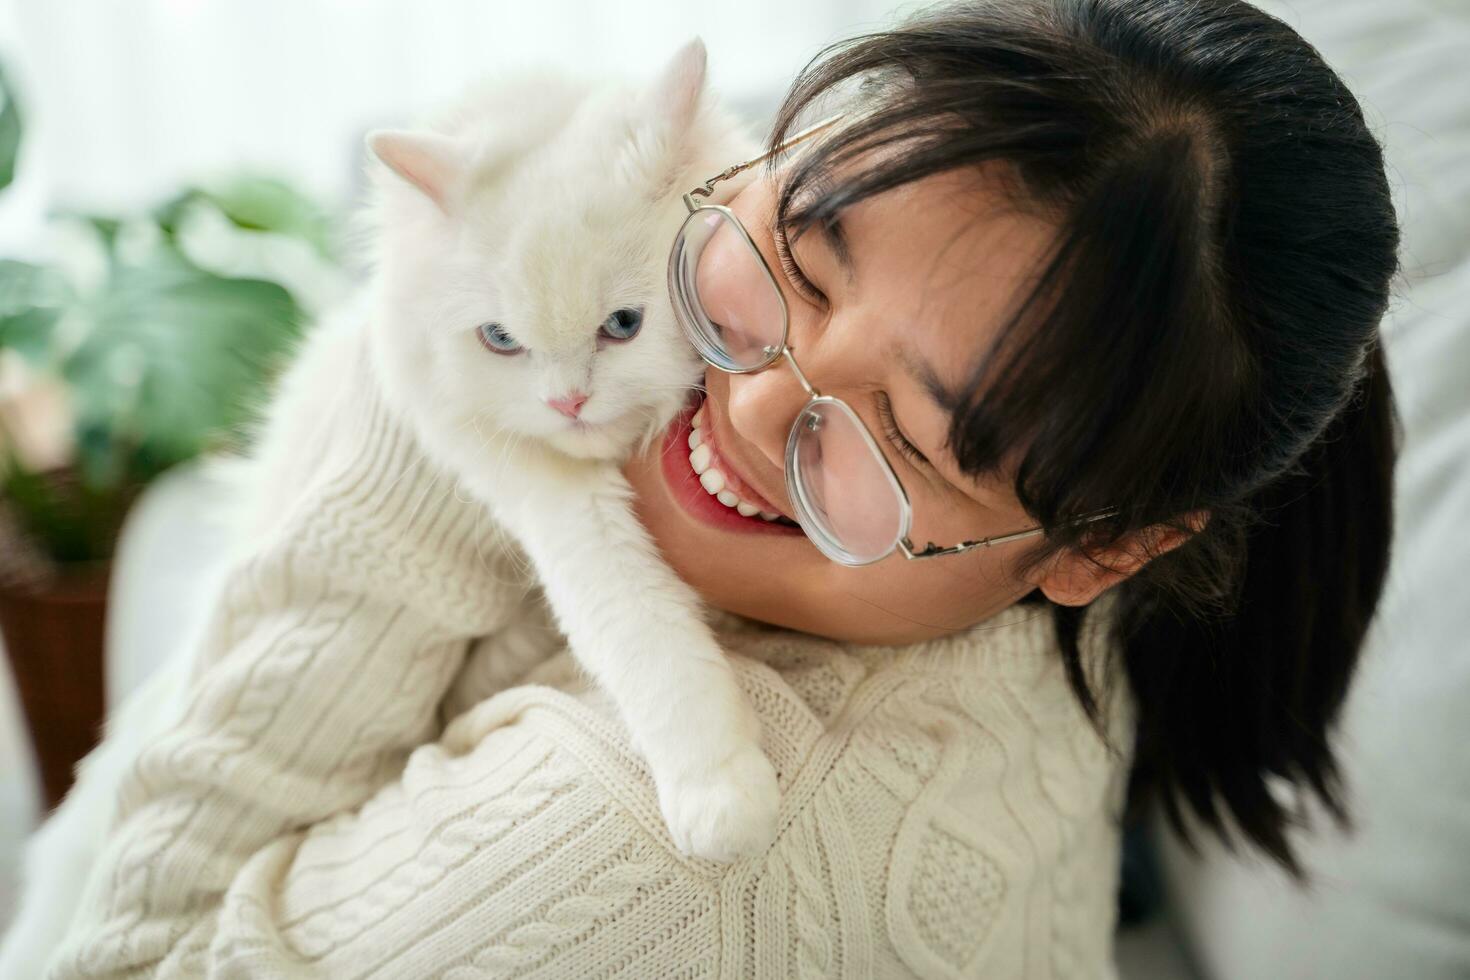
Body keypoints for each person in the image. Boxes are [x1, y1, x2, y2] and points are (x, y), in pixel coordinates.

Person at [48, 0, 1399, 976]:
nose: (748, 407)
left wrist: (415, 406)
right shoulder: (1046, 565)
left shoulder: (651, 862)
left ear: (1106, 547)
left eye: (908, 440)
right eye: (800, 262)